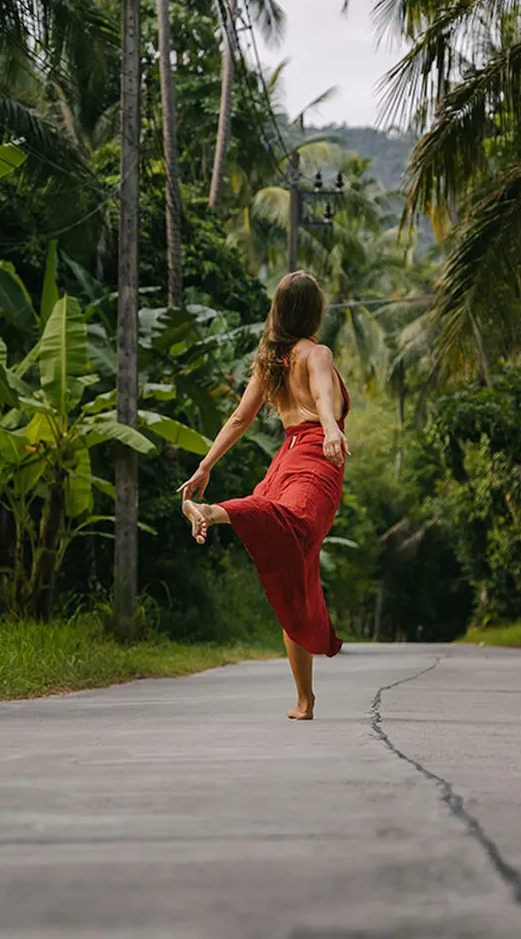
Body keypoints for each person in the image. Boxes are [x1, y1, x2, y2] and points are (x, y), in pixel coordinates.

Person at [176, 271, 350, 721]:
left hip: (286, 460)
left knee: (298, 568)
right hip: (313, 459)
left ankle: (305, 701)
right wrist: (330, 429)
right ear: (315, 312)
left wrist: (204, 465)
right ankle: (213, 513)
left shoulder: (270, 361)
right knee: (293, 527)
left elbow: (239, 419)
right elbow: (323, 396)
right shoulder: (318, 353)